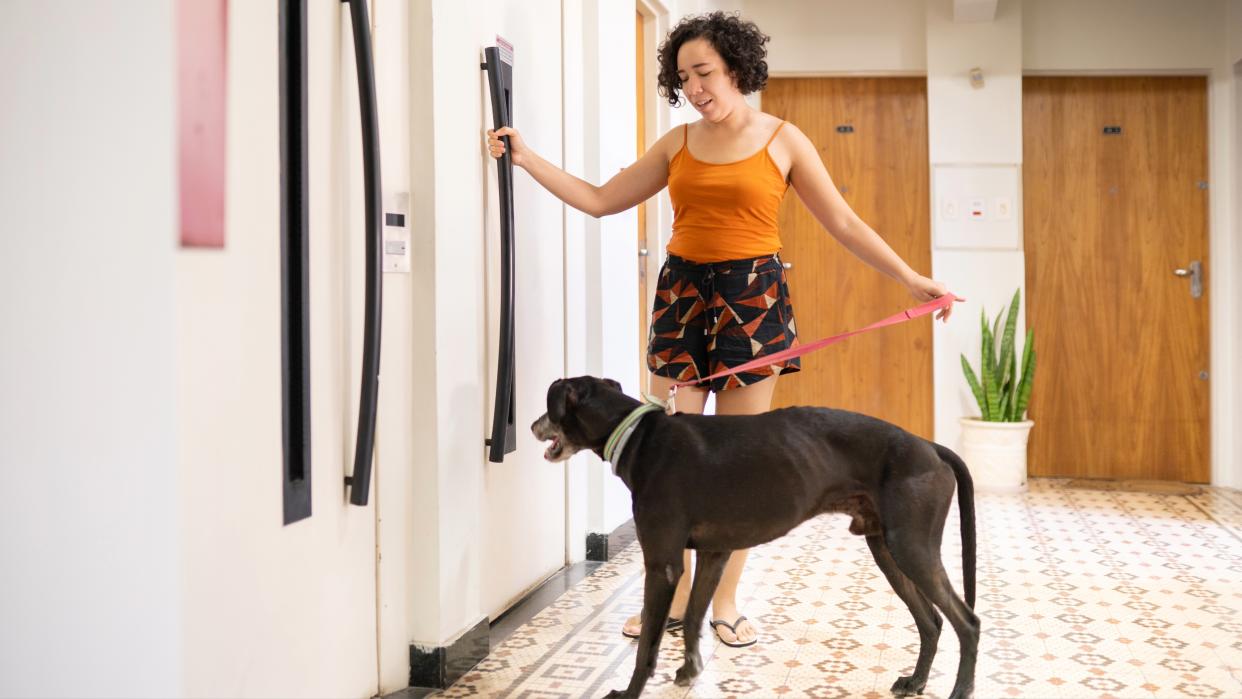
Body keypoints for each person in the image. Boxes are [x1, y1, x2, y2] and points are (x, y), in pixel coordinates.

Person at [487, 11, 956, 648]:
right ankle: (678, 599)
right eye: (683, 77)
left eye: (704, 72)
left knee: (742, 459)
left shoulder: (783, 139)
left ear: (736, 67)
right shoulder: (677, 144)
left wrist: (911, 278)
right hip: (683, 297)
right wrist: (525, 157)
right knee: (675, 455)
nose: (694, 87)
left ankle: (726, 601)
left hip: (753, 301)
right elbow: (600, 199)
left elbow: (844, 224)